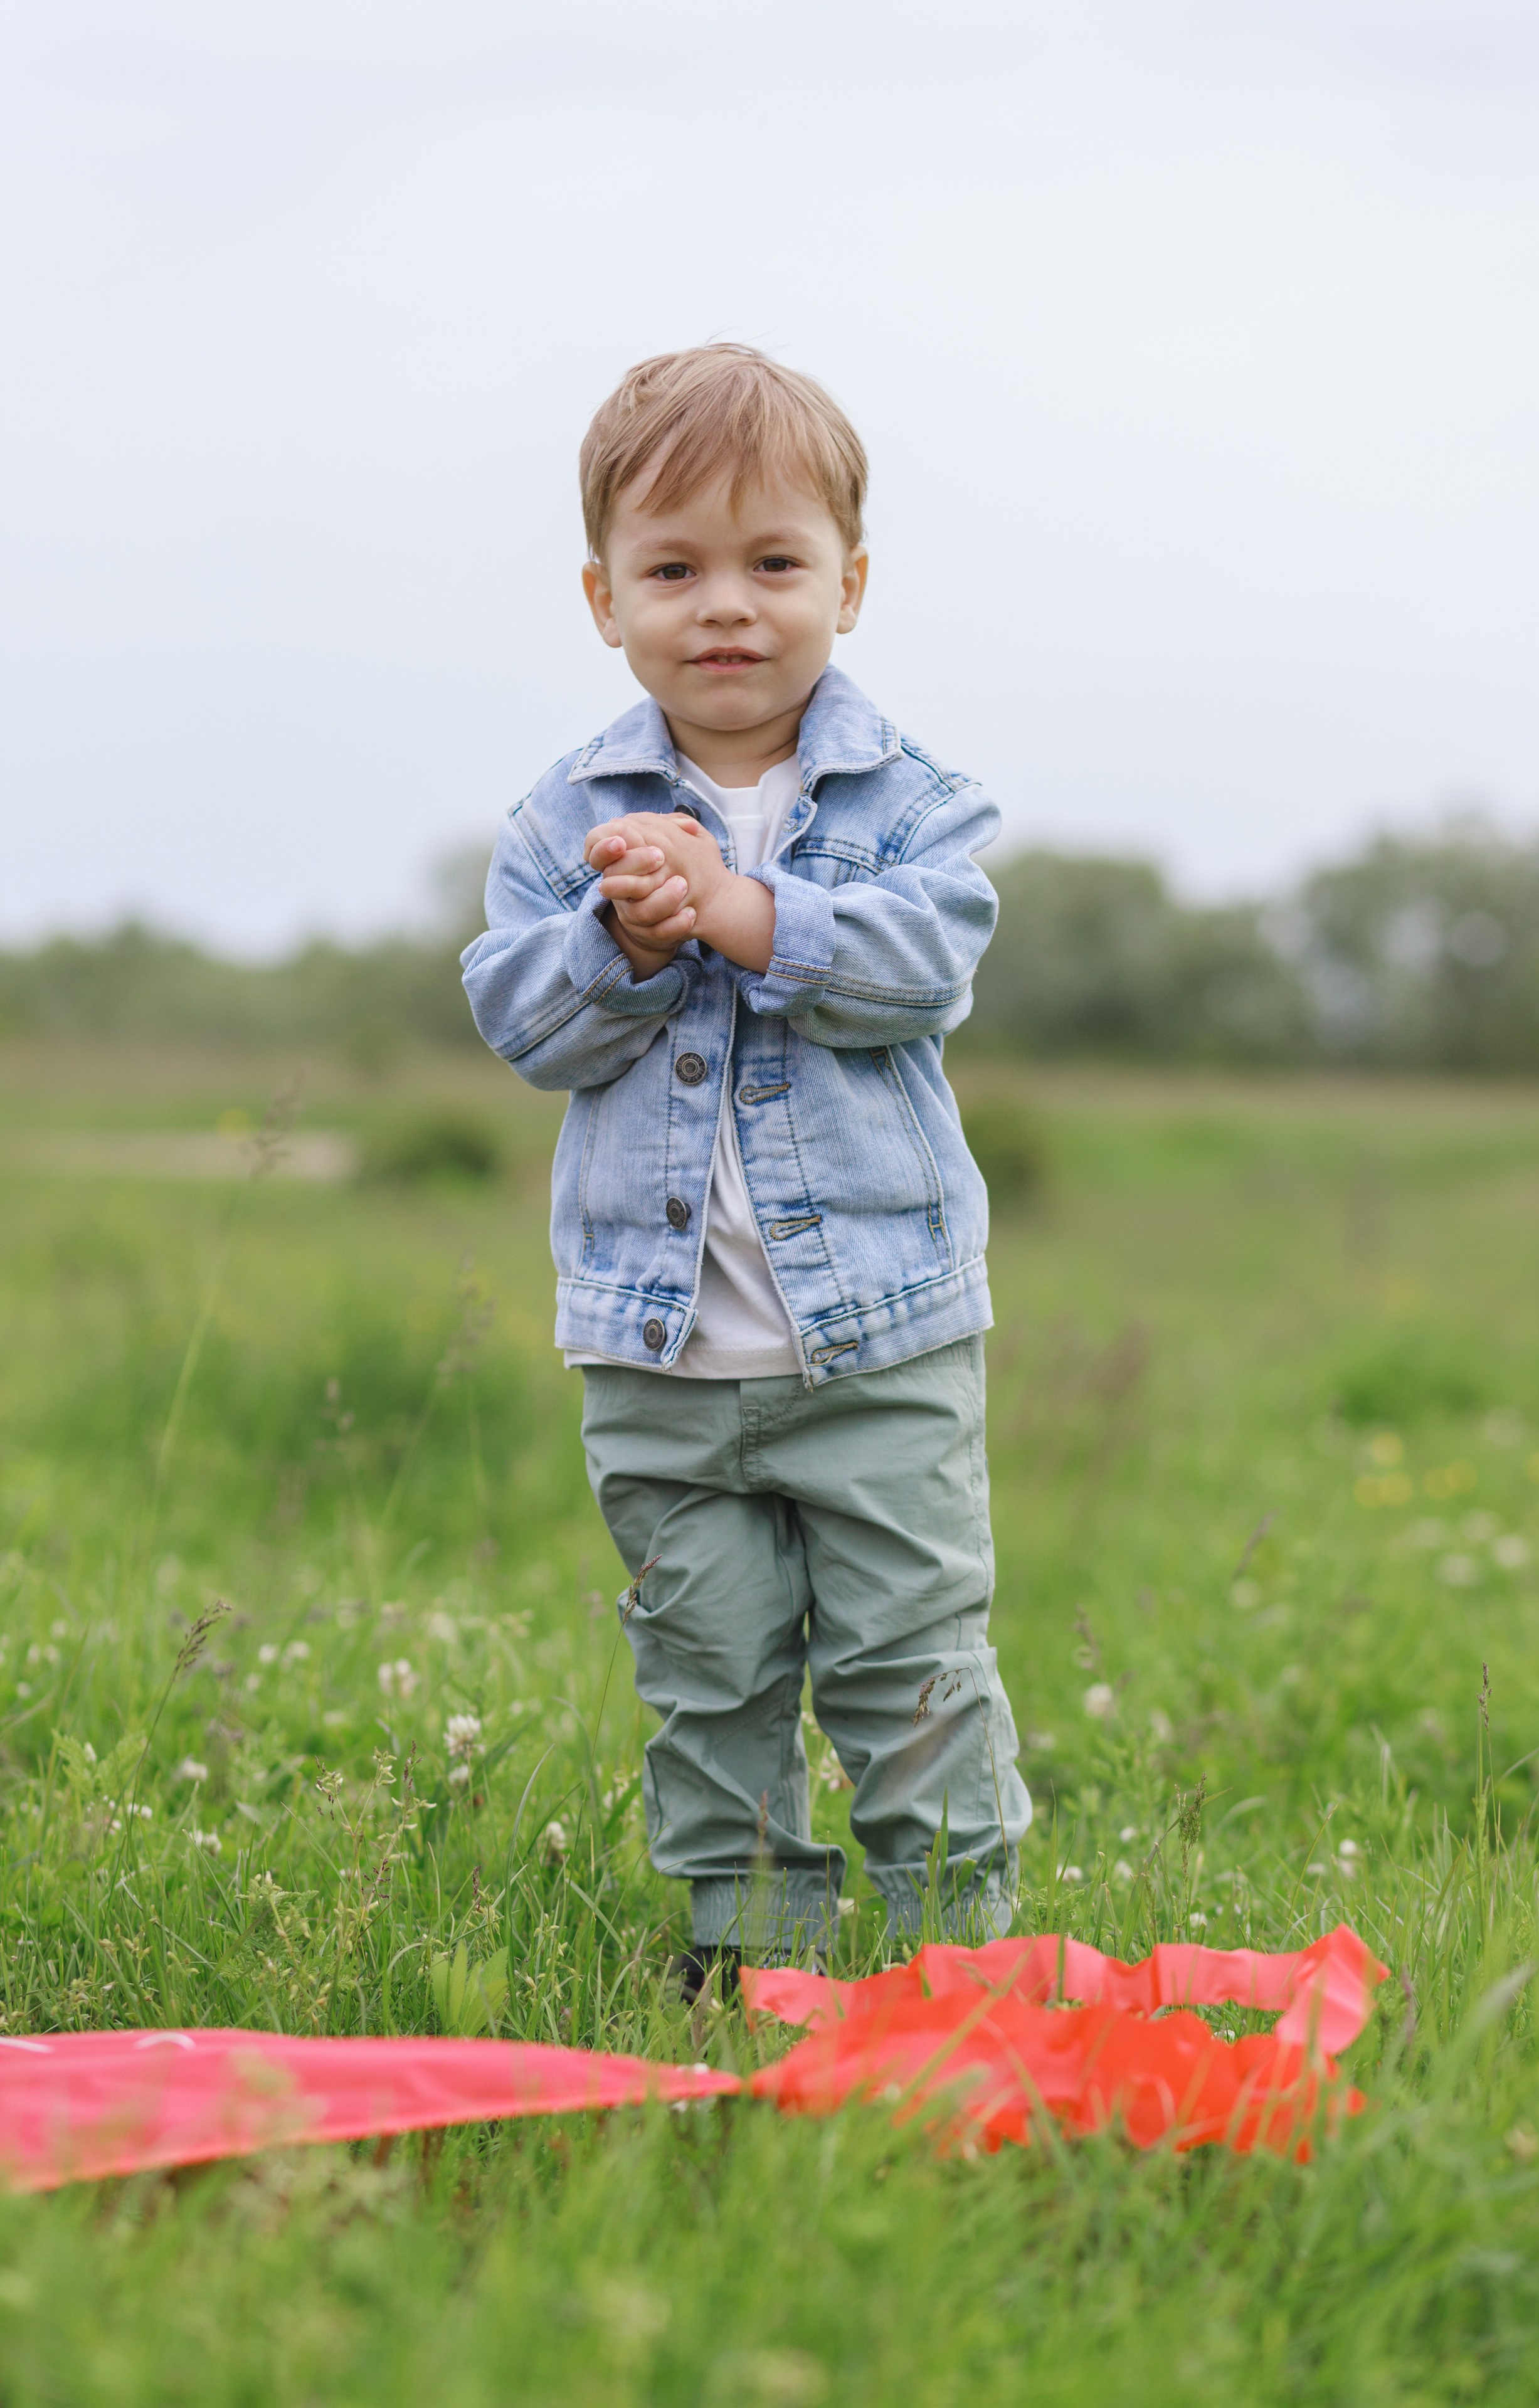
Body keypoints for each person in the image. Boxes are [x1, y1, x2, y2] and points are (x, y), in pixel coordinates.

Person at [462, 345, 1030, 1993]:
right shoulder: (564, 817)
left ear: (849, 586)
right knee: (706, 1673)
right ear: (603, 597)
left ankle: (957, 1967)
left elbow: (926, 969)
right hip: (658, 1358)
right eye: (675, 568)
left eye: (774, 563)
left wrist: (741, 910)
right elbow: (522, 1020)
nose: (727, 604)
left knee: (908, 1667)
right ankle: (750, 1962)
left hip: (884, 1347)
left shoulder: (912, 800)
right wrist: (620, 942)